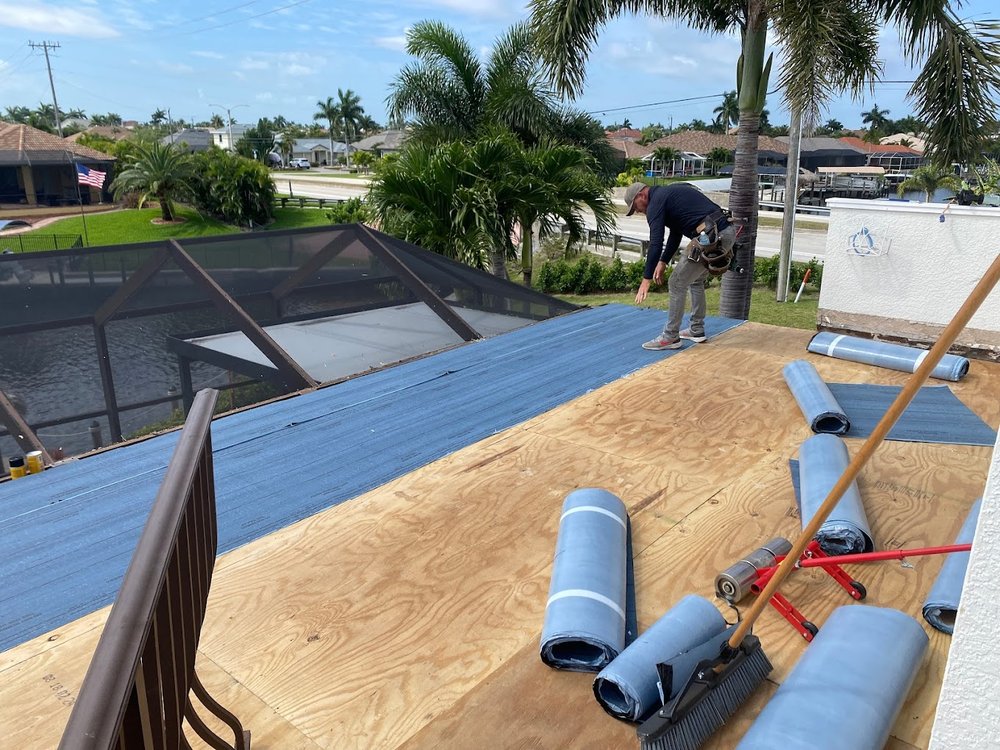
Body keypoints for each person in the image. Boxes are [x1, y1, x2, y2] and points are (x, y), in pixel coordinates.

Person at [626, 181, 737, 350]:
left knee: (676, 282)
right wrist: (663, 261)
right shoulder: (667, 195)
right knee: (695, 280)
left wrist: (646, 279)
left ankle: (670, 336)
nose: (638, 211)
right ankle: (696, 330)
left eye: (635, 207)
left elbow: (655, 242)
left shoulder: (656, 202)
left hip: (712, 236)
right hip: (723, 232)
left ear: (641, 195)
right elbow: (675, 234)